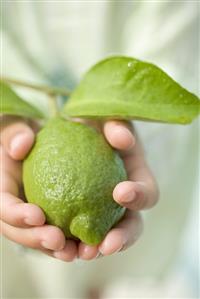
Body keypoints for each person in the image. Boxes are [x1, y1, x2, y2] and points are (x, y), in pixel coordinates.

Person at [1, 1, 199, 298]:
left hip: (115, 131)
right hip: (33, 141)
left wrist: (134, 129)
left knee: (106, 272)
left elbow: (177, 53)